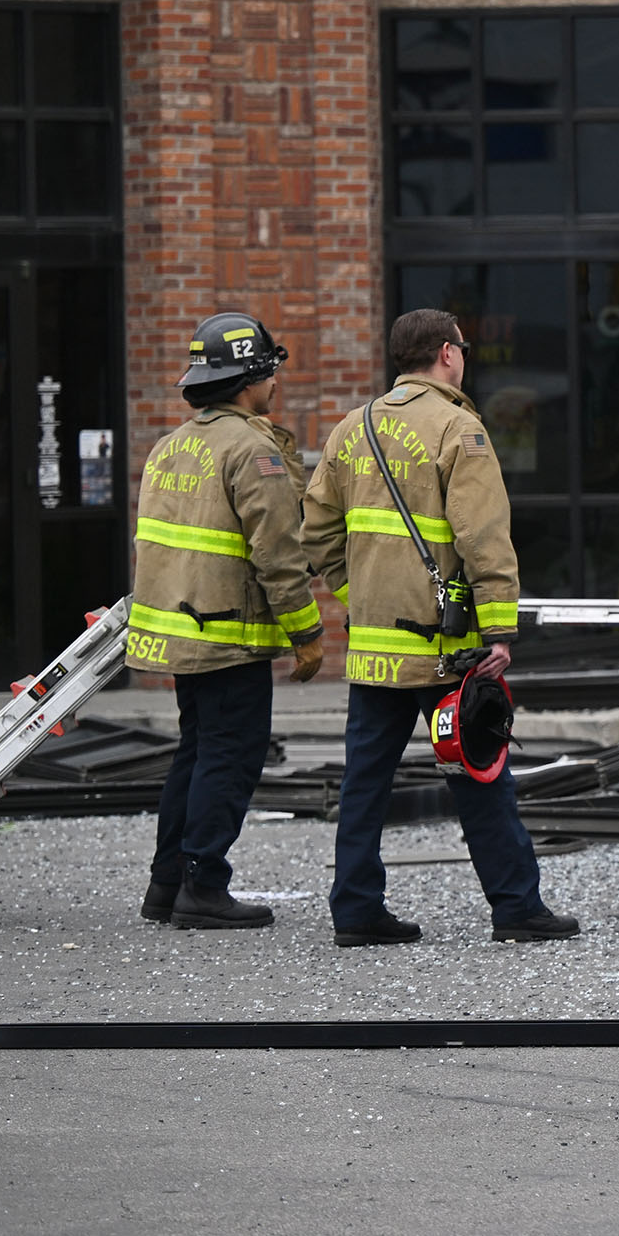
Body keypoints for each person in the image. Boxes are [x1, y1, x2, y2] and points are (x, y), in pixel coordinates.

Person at [302, 308, 577, 946]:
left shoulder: (352, 428)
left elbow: (316, 533)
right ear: (446, 355)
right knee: (478, 771)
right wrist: (499, 628)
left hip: (373, 648)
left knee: (364, 783)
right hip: (446, 649)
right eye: (464, 346)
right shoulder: (459, 428)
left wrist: (357, 593)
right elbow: (484, 538)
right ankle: (515, 907)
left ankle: (356, 913)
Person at [128, 311, 324, 931]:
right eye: (270, 374)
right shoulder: (251, 448)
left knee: (195, 752)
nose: (275, 386)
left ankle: (166, 885)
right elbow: (278, 552)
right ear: (251, 379)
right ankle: (204, 886)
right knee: (231, 757)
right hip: (229, 636)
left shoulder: (171, 445)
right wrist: (307, 633)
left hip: (183, 635)